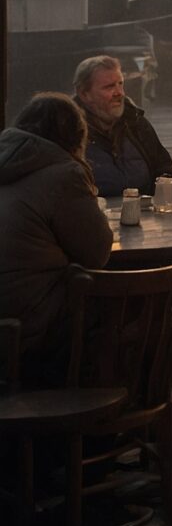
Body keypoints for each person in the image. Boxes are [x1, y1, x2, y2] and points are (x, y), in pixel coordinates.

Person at [0, 93, 113, 383]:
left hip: (8, 319)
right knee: (133, 310)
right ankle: (116, 415)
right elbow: (97, 253)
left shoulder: (7, 160)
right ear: (77, 137)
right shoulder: (64, 174)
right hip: (29, 328)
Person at [73, 55, 172, 197]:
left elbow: (163, 167)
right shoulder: (68, 131)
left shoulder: (136, 124)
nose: (119, 93)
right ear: (84, 94)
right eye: (109, 87)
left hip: (144, 214)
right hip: (92, 215)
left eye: (120, 84)